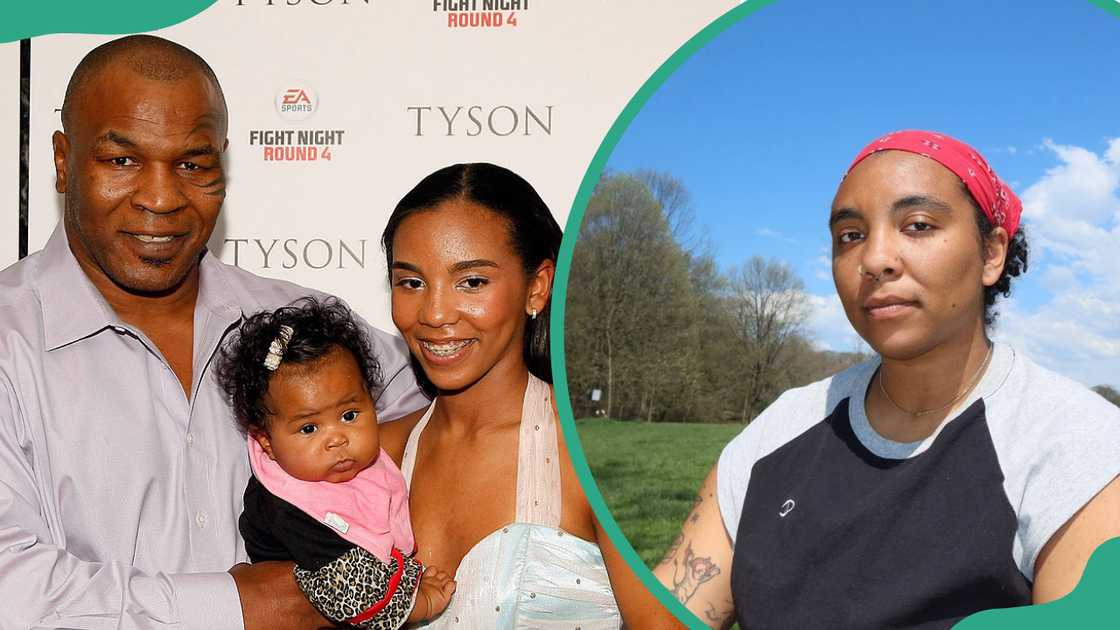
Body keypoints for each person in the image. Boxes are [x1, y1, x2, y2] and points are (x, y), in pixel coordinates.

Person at [0, 35, 427, 630]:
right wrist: (242, 605)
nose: (160, 197)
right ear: (63, 161)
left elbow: (458, 426)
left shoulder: (306, 323)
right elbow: (9, 589)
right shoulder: (7, 343)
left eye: (193, 164)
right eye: (121, 161)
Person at [654, 130, 1120, 629]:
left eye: (917, 225)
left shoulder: (1079, 446)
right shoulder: (778, 431)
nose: (874, 260)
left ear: (991, 254)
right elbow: (663, 616)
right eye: (850, 236)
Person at [379, 163, 681, 628]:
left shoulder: (586, 456)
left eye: (472, 282)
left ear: (537, 287)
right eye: (412, 282)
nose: (434, 313)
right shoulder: (374, 456)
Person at [215, 297, 455, 628]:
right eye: (309, 428)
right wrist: (417, 602)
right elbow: (342, 583)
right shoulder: (286, 503)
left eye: (349, 415)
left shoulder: (367, 469)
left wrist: (407, 577)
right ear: (267, 443)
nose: (337, 438)